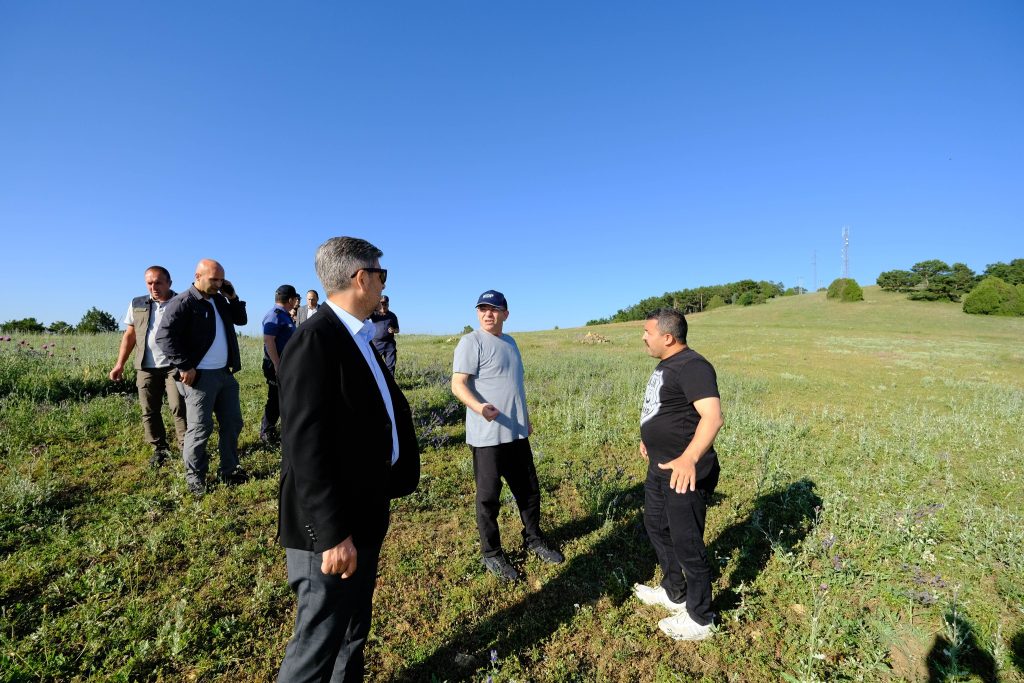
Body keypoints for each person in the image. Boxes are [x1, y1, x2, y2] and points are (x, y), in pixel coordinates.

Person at [276, 236, 420, 681]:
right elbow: (305, 447)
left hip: (363, 513)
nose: (384, 284)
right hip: (332, 531)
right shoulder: (315, 339)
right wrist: (333, 534)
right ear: (361, 278)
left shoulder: (357, 336)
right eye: (381, 275)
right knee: (317, 644)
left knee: (352, 631)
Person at [451, 290, 563, 581]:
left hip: (516, 433)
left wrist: (525, 419)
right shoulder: (471, 342)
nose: (488, 314)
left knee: (529, 491)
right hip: (486, 437)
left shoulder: (511, 343)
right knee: (488, 498)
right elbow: (458, 384)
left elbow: (514, 386)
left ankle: (534, 539)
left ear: (505, 314)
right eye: (482, 309)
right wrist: (479, 408)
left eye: (494, 309)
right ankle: (492, 553)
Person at [632, 307, 724, 641]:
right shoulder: (667, 364)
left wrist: (689, 458)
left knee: (687, 543)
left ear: (668, 337)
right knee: (656, 526)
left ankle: (701, 617)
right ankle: (675, 592)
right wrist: (649, 437)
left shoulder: (693, 366)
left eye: (648, 332)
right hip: (661, 466)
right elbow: (667, 409)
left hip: (685, 472)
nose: (644, 337)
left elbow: (712, 417)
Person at [155, 259, 249, 496]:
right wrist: (185, 366)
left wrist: (233, 297)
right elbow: (164, 336)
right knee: (199, 428)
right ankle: (195, 478)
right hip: (199, 377)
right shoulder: (183, 302)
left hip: (224, 374)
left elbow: (241, 320)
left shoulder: (219, 300)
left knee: (232, 423)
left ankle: (229, 470)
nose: (218, 284)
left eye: (221, 280)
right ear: (198, 276)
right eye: (214, 279)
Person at [108, 265, 187, 467]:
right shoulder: (137, 303)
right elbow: (130, 335)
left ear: (169, 283)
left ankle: (186, 449)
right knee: (149, 409)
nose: (154, 287)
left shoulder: (182, 302)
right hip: (146, 366)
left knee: (179, 407)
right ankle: (160, 449)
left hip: (174, 366)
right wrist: (119, 364)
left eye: (158, 282)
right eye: (149, 283)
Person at [260, 284, 300, 444]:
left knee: (283, 398)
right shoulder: (274, 315)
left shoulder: (284, 315)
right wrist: (277, 364)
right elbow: (268, 340)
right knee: (275, 399)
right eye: (295, 299)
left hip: (285, 364)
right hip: (275, 365)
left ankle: (280, 430)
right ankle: (266, 432)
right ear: (290, 299)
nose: (296, 302)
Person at [369, 295, 400, 374]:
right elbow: (364, 317)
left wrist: (393, 330)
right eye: (381, 304)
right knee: (375, 365)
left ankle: (390, 381)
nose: (383, 306)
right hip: (376, 344)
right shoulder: (374, 314)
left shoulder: (392, 316)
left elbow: (397, 329)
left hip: (389, 344)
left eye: (385, 304)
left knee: (391, 367)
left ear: (388, 304)